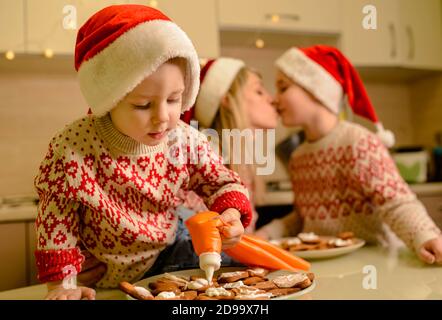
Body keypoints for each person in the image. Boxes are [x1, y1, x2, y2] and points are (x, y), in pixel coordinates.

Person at [34, 5, 252, 300]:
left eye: (174, 100)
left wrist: (231, 213)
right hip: (101, 270)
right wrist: (63, 285)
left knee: (244, 285)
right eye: (142, 105)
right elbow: (56, 220)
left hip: (170, 253)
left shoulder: (184, 141)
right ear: (107, 98)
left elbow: (222, 181)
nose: (162, 117)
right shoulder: (73, 148)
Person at [256, 45, 442, 265]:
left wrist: (425, 236)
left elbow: (396, 203)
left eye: (283, 88)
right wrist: (267, 234)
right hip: (323, 268)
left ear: (316, 89)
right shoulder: (299, 157)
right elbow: (302, 217)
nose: (275, 99)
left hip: (372, 264)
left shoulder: (358, 142)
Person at [179, 57, 278, 232]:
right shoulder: (207, 158)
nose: (272, 99)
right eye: (259, 91)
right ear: (227, 101)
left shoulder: (241, 159)